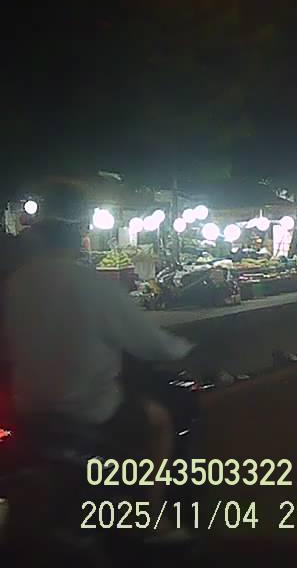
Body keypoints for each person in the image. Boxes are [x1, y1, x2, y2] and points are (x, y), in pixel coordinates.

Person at [2, 182, 195, 539]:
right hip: (90, 411)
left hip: (28, 411)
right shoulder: (94, 284)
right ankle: (151, 517)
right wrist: (184, 350)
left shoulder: (16, 283)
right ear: (80, 237)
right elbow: (152, 344)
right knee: (159, 421)